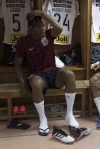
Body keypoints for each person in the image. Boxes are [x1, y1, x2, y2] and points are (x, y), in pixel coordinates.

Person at [15, 10, 82, 143]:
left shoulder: (48, 35)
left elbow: (59, 28)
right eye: (39, 26)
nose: (42, 28)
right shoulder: (23, 42)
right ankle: (43, 119)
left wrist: (44, 15)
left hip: (53, 71)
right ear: (31, 28)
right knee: (36, 84)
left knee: (69, 74)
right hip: (37, 74)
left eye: (43, 25)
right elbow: (17, 65)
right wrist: (22, 83)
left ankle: (69, 115)